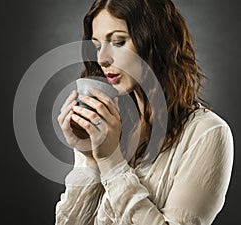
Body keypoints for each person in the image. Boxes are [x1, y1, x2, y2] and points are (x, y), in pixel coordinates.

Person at [55, 0, 234, 224]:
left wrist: (112, 162)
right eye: (98, 46)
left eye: (118, 42)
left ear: (156, 42)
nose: (102, 59)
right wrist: (90, 159)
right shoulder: (107, 124)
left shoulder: (207, 133)